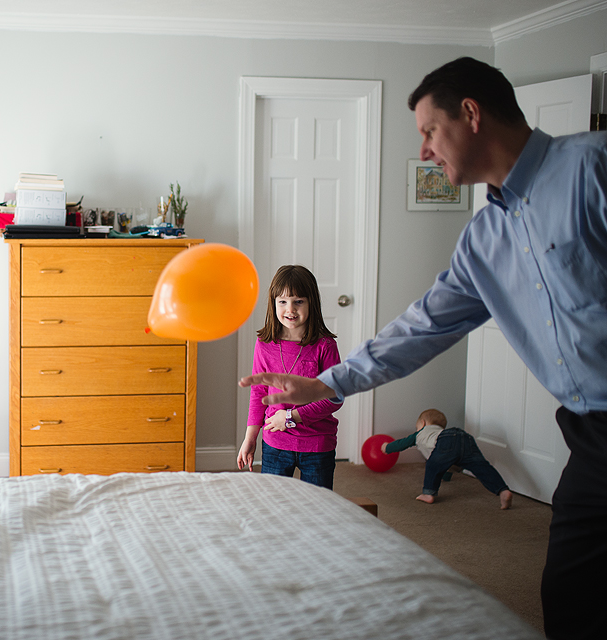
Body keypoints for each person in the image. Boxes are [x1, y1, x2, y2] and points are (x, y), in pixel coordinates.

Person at [238, 56, 607, 640]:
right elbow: (420, 329)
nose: (425, 152)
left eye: (429, 131)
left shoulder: (592, 168)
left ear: (471, 113)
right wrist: (327, 384)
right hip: (591, 438)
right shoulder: (485, 239)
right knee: (571, 593)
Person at [236, 265, 342, 488]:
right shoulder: (264, 344)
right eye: (282, 302)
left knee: (317, 510)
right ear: (273, 303)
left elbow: (335, 397)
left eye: (298, 301)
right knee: (273, 507)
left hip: (317, 445)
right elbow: (259, 393)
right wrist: (250, 437)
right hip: (275, 443)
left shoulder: (325, 345)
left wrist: (292, 416)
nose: (290, 309)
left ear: (311, 302)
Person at [382, 408, 513, 509]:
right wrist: (446, 476)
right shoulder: (440, 433)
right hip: (466, 438)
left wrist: (387, 448)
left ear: (422, 424)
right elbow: (444, 464)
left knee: (432, 464)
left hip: (445, 441)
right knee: (482, 468)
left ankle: (428, 493)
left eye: (417, 427)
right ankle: (502, 490)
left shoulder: (421, 433)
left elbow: (402, 443)